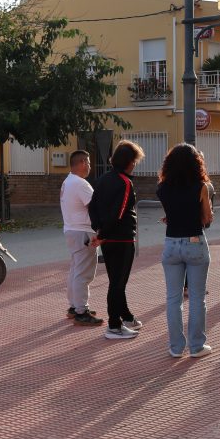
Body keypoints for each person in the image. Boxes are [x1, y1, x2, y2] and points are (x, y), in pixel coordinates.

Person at [157, 143, 215, 359]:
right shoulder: (201, 186)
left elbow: (171, 213)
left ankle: (175, 347)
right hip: (194, 242)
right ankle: (197, 346)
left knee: (173, 298)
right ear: (195, 163)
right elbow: (207, 218)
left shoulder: (162, 187)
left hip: (171, 243)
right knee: (197, 298)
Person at [89, 140, 145, 340]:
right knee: (117, 284)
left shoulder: (103, 179)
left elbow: (92, 206)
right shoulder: (125, 182)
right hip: (121, 239)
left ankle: (126, 317)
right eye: (135, 161)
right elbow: (119, 213)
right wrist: (102, 234)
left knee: (116, 282)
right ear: (129, 161)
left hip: (109, 239)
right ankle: (114, 325)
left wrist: (99, 230)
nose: (135, 164)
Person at [60, 150, 104, 327]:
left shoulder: (68, 181)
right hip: (83, 232)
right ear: (82, 162)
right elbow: (95, 207)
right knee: (83, 273)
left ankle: (74, 307)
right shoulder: (80, 184)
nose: (90, 166)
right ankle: (81, 311)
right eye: (89, 163)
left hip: (72, 229)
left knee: (76, 270)